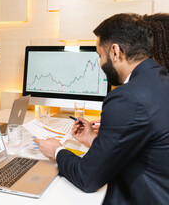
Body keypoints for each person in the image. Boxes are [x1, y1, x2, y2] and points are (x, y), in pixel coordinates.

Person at [34, 13, 169, 204]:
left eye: (100, 56)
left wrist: (57, 151)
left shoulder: (126, 97)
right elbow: (145, 148)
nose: (99, 64)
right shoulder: (161, 80)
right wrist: (94, 139)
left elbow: (87, 178)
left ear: (115, 51)